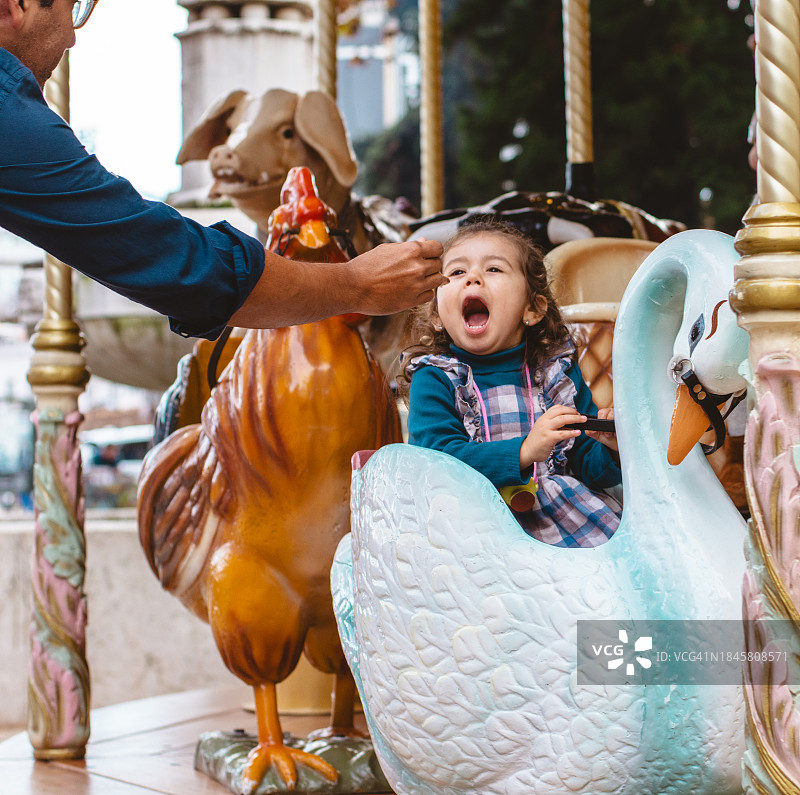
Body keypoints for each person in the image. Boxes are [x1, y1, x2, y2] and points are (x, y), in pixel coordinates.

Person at [0, 0, 445, 340]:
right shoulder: (9, 115)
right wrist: (355, 283)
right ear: (15, 5)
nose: (73, 38)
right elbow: (179, 263)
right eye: (74, 7)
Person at [400, 219, 622, 547]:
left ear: (532, 308)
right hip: (473, 526)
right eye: (457, 272)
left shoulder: (555, 373)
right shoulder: (435, 378)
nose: (473, 277)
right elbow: (439, 464)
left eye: (494, 269)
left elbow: (585, 462)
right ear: (436, 316)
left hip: (562, 517)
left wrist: (611, 448)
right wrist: (523, 451)